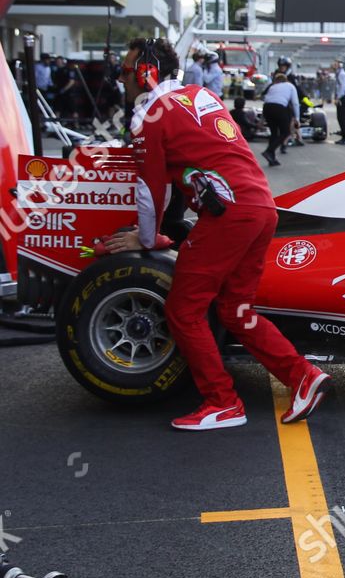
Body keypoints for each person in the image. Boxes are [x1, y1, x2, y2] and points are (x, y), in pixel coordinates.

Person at [99, 38, 330, 431]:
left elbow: (152, 190)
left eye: (124, 71)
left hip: (230, 215)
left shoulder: (151, 114)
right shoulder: (201, 95)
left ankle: (222, 402)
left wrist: (147, 237)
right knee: (235, 310)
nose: (121, 80)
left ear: (146, 72)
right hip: (261, 208)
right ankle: (303, 376)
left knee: (183, 310)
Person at [260, 72, 297, 167]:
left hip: (267, 108)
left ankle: (271, 159)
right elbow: (295, 103)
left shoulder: (272, 87)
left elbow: (265, 101)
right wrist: (297, 118)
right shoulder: (290, 86)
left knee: (274, 133)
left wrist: (262, 120)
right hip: (279, 108)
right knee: (286, 132)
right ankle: (269, 151)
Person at [334, 60, 345, 144]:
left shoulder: (341, 74)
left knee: (342, 118)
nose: (333, 65)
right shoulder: (339, 73)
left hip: (343, 99)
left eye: (335, 63)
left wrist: (339, 98)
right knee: (340, 118)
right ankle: (344, 136)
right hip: (342, 98)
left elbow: (343, 87)